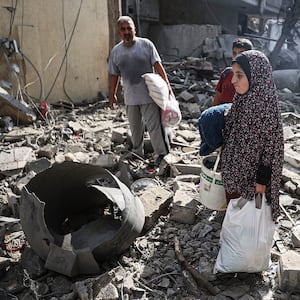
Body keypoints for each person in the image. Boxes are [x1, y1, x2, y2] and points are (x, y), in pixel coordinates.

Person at [221, 49, 284, 221]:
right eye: (233, 74)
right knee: (234, 216)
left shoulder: (266, 107)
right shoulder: (241, 98)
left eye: (239, 75)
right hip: (234, 173)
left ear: (256, 75)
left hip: (254, 182)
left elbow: (271, 150)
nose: (233, 80)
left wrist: (261, 183)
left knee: (251, 218)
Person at [108, 16, 170, 165]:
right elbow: (113, 75)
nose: (127, 31)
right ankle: (137, 153)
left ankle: (162, 155)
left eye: (129, 28)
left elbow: (158, 65)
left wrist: (167, 86)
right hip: (130, 98)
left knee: (155, 127)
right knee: (135, 130)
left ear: (134, 29)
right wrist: (112, 95)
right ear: (119, 32)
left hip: (149, 96)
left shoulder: (146, 45)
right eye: (123, 29)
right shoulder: (116, 52)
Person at [212, 38, 253, 106]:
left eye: (240, 54)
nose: (236, 57)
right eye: (234, 53)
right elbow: (218, 97)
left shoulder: (253, 77)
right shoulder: (226, 73)